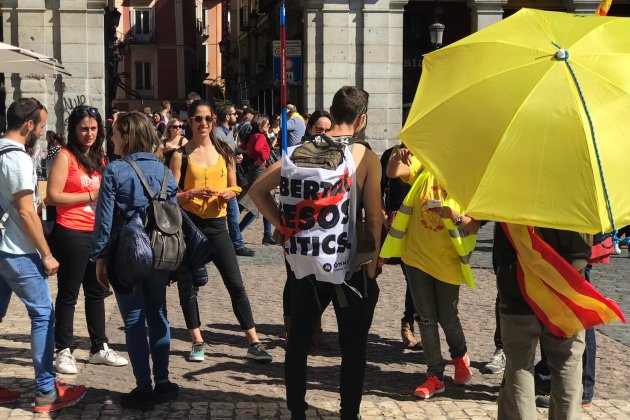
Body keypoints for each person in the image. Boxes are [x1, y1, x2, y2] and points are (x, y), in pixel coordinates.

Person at [249, 86, 382, 420]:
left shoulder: (297, 151)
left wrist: (282, 225)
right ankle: (348, 413)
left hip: (304, 261)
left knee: (298, 341)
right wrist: (374, 262)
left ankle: (296, 411)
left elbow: (256, 190)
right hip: (347, 265)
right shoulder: (366, 156)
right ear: (361, 119)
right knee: (353, 347)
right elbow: (375, 217)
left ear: (332, 115)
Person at [0, 97, 87, 412]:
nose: (42, 130)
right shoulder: (19, 159)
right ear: (28, 125)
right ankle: (46, 392)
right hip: (18, 251)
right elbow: (25, 212)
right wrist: (46, 254)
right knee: (42, 315)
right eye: (41, 124)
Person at [170, 100, 272, 363]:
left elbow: (236, 186)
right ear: (190, 122)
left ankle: (254, 342)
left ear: (213, 121)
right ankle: (197, 341)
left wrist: (230, 193)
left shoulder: (225, 151)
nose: (203, 123)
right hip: (190, 227)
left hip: (217, 226)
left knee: (236, 284)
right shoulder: (181, 155)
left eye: (207, 119)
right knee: (188, 286)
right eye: (198, 119)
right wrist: (189, 194)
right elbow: (169, 196)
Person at [90, 111, 180, 412]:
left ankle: (143, 389)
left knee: (133, 320)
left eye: (114, 133)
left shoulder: (115, 170)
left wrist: (100, 258)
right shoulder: (165, 170)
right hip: (159, 252)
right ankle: (163, 383)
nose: (111, 138)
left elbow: (103, 221)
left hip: (127, 254)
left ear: (126, 136)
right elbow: (173, 217)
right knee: (158, 315)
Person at [386, 147, 478, 399]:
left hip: (447, 261)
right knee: (425, 318)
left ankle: (459, 356)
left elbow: (475, 224)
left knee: (448, 317)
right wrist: (398, 154)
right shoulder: (424, 167)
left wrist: (455, 216)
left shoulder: (466, 179)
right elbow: (392, 171)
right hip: (416, 258)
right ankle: (435, 375)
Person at [46, 105, 128, 375]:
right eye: (83, 128)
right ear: (74, 130)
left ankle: (99, 347)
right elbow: (53, 196)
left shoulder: (100, 158)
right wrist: (91, 196)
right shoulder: (64, 156)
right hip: (70, 232)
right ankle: (64, 350)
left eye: (93, 128)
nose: (89, 133)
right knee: (69, 293)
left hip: (97, 233)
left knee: (96, 292)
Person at [494, 224, 591, 420]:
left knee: (520, 363)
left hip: (518, 282)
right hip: (565, 285)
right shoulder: (580, 195)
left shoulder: (509, 193)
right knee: (567, 363)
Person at [380, 143, 421, 349]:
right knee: (410, 277)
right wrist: (384, 216)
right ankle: (408, 323)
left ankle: (410, 323)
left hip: (420, 228)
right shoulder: (391, 154)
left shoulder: (428, 155)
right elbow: (377, 190)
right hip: (394, 227)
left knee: (415, 278)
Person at [212, 104, 255, 257]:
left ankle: (231, 243)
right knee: (232, 212)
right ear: (227, 117)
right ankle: (235, 244)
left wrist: (239, 155)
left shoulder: (229, 132)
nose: (237, 116)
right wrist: (231, 159)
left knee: (231, 213)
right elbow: (217, 156)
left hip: (231, 178)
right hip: (222, 179)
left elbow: (232, 150)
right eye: (234, 114)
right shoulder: (217, 134)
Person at [238, 114, 276, 245]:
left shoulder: (253, 135)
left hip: (255, 169)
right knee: (256, 206)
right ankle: (237, 231)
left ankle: (267, 235)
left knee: (266, 202)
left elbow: (244, 146)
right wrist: (263, 157)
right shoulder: (260, 136)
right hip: (260, 170)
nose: (269, 126)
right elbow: (258, 148)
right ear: (261, 126)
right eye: (267, 124)